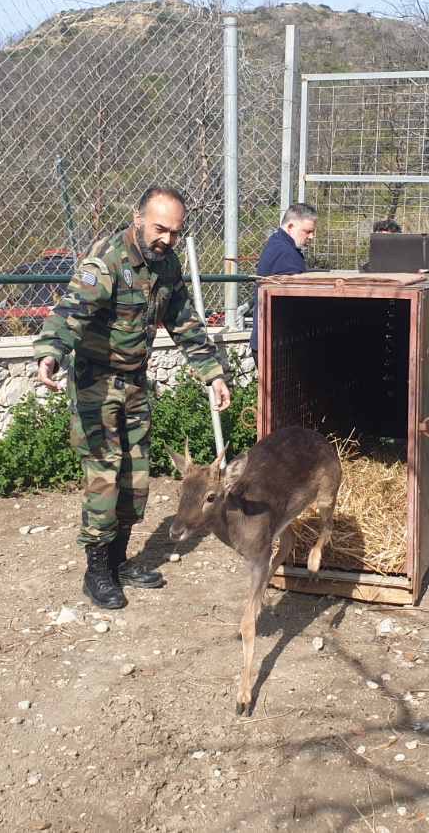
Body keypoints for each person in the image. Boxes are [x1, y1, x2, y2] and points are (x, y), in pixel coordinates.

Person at [34, 186, 232, 609]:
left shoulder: (167, 264)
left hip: (135, 384)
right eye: (161, 229)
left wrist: (212, 374)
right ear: (138, 218)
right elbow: (71, 311)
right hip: (96, 385)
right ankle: (97, 572)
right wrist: (51, 354)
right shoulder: (108, 259)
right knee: (104, 478)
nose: (167, 239)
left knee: (135, 477)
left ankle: (120, 562)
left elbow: (184, 322)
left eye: (176, 232)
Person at [248, 202, 317, 356]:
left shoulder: (278, 243)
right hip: (275, 345)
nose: (312, 236)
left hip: (270, 341)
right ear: (291, 227)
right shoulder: (285, 253)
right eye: (307, 231)